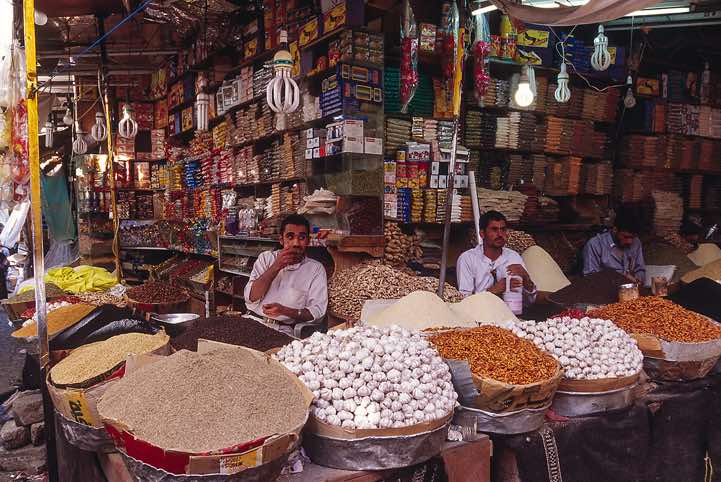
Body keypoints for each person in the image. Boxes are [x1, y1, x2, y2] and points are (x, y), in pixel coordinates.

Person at [244, 214, 328, 332]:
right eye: (290, 237)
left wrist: (284, 311)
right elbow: (251, 297)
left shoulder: (315, 269)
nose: (296, 243)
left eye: (302, 237)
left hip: (282, 330)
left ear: (308, 241)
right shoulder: (266, 258)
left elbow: (317, 313)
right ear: (281, 240)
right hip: (252, 320)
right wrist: (276, 266)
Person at [456, 210, 537, 305]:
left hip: (511, 314)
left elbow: (531, 300)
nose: (500, 234)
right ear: (482, 234)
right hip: (480, 315)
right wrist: (494, 290)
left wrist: (526, 278)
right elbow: (464, 301)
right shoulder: (467, 259)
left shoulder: (513, 257)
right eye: (494, 229)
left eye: (503, 229)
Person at [582, 210, 646, 283]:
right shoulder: (595, 245)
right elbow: (590, 278)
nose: (630, 241)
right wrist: (620, 278)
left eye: (633, 237)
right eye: (626, 237)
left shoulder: (636, 242)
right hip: (603, 291)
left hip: (630, 290)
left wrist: (638, 279)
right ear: (615, 230)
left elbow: (640, 269)